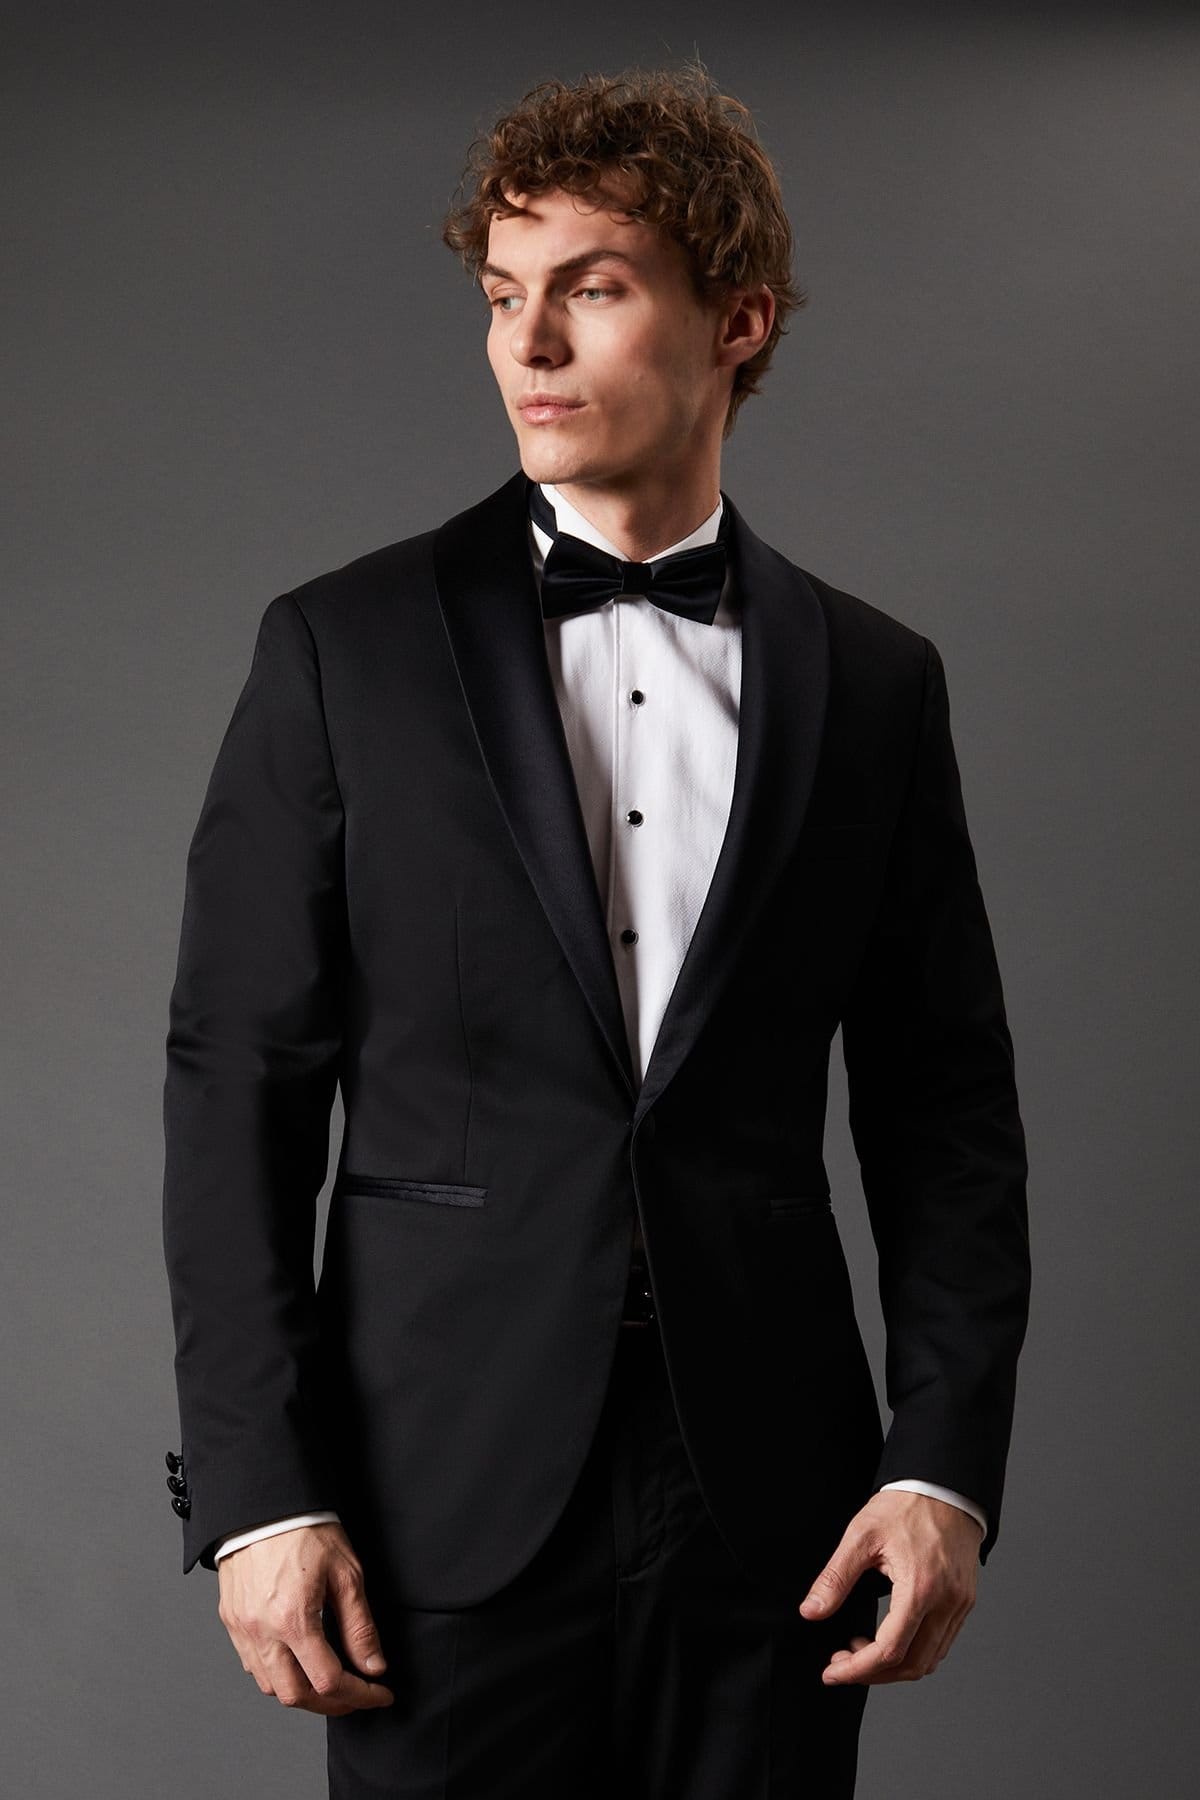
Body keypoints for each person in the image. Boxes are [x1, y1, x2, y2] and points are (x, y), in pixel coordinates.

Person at [161, 61, 1030, 1800]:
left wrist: (940, 1468)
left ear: (738, 321)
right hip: (431, 1496)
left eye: (594, 288)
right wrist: (259, 1491)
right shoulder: (342, 650)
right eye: (504, 297)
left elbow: (946, 1111)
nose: (530, 346)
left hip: (777, 1514)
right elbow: (235, 1086)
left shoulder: (874, 684)